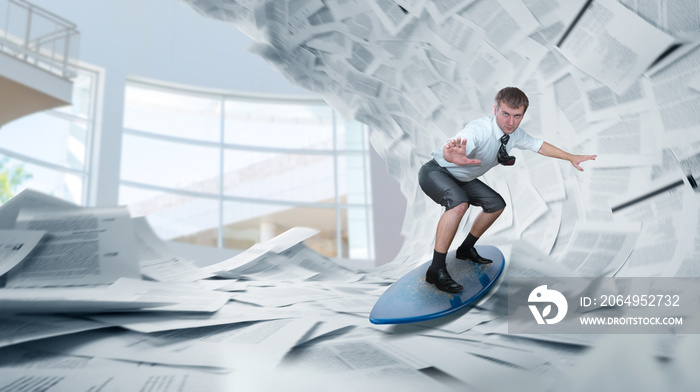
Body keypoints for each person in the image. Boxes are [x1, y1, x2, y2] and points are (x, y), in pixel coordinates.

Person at [418, 87, 596, 293]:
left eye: (517, 116)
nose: (510, 122)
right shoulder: (479, 129)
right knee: (459, 203)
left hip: (462, 178)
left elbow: (539, 145)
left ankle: (465, 249)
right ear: (495, 110)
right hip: (436, 172)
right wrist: (452, 156)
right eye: (505, 114)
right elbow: (462, 140)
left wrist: (571, 157)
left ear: (522, 115)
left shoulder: (515, 135)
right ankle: (436, 269)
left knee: (496, 205)